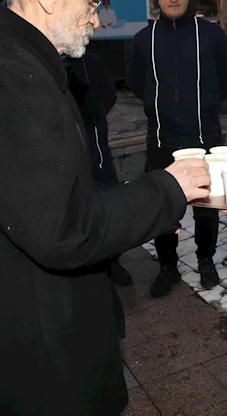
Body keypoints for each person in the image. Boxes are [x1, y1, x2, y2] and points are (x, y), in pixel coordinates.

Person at [0, 0, 210, 415]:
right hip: (27, 367)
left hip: (16, 335)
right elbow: (64, 227)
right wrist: (167, 189)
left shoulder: (1, 56)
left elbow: (50, 192)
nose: (98, 14)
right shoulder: (4, 78)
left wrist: (141, 210)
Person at [128, 0, 227, 296]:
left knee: (206, 206)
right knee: (165, 206)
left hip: (205, 137)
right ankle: (168, 267)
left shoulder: (211, 34)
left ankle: (206, 261)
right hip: (162, 139)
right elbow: (136, 83)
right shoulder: (143, 39)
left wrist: (206, 100)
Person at [63, 50, 134, 285]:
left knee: (107, 210)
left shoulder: (92, 61)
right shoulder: (43, 63)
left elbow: (109, 96)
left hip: (99, 155)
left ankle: (113, 263)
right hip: (66, 162)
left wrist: (94, 116)